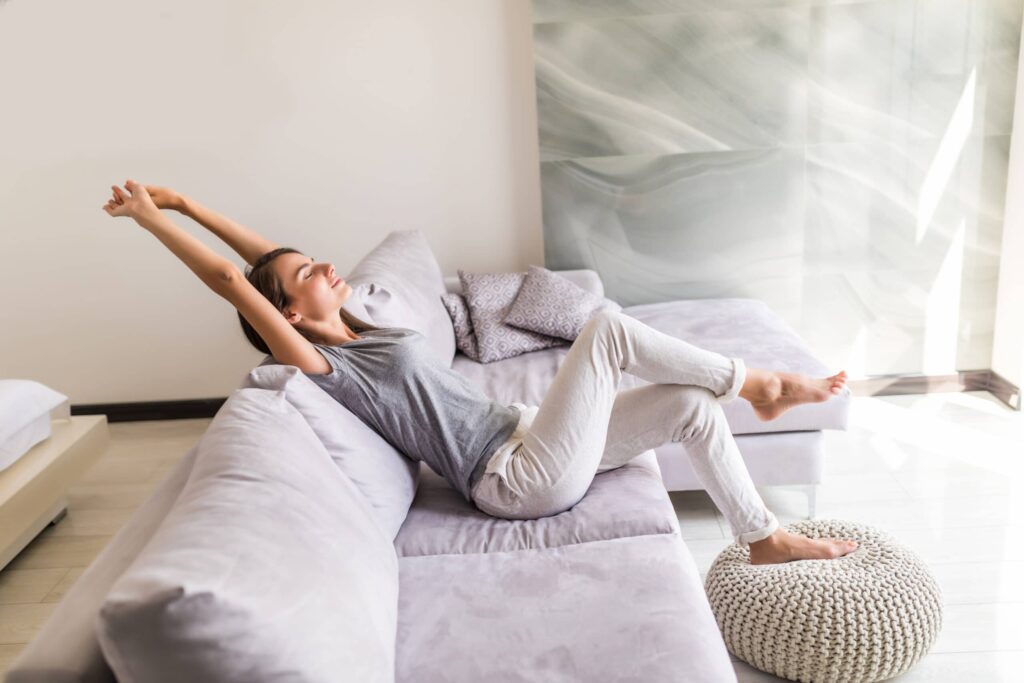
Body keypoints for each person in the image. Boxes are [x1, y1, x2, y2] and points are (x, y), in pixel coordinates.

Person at [102, 179, 858, 565]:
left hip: (531, 440)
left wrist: (188, 198)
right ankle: (760, 383)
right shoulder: (326, 361)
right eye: (308, 272)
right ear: (290, 319)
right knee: (605, 330)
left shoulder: (358, 319)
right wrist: (152, 220)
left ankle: (759, 534)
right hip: (514, 479)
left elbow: (265, 262)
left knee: (691, 407)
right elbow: (240, 282)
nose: (326, 263)